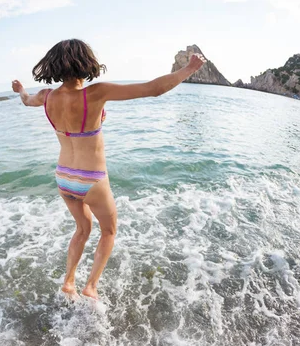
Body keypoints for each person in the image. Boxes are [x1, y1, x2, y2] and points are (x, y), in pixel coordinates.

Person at [12, 39, 205, 301]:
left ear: (54, 65)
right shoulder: (96, 93)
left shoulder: (47, 97)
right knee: (109, 231)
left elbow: (26, 100)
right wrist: (189, 69)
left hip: (64, 178)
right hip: (91, 180)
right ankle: (90, 286)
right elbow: (153, 89)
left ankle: (68, 282)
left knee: (82, 229)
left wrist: (21, 89)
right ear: (86, 63)